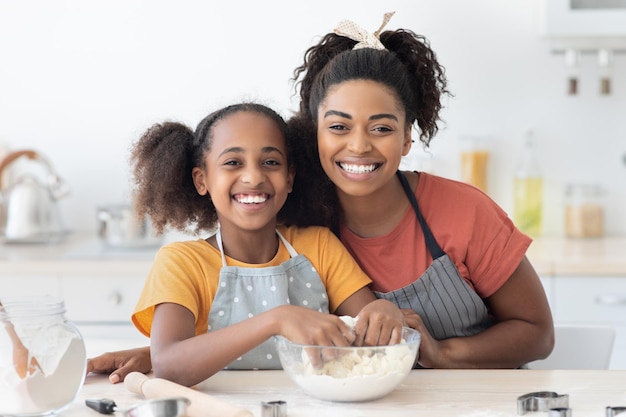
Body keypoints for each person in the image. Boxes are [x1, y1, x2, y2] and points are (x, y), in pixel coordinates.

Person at [87, 12, 554, 380]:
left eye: (382, 128)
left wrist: (439, 353)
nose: (359, 146)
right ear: (314, 135)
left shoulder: (461, 212)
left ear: (408, 138)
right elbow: (259, 316)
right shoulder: (298, 219)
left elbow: (538, 334)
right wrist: (163, 353)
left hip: (480, 393)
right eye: (338, 127)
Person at [105, 102, 404, 387]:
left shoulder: (319, 246)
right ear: (202, 180)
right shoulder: (182, 262)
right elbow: (169, 364)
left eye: (270, 162)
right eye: (233, 162)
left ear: (289, 178)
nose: (253, 176)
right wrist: (277, 319)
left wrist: (383, 312)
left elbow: (366, 331)